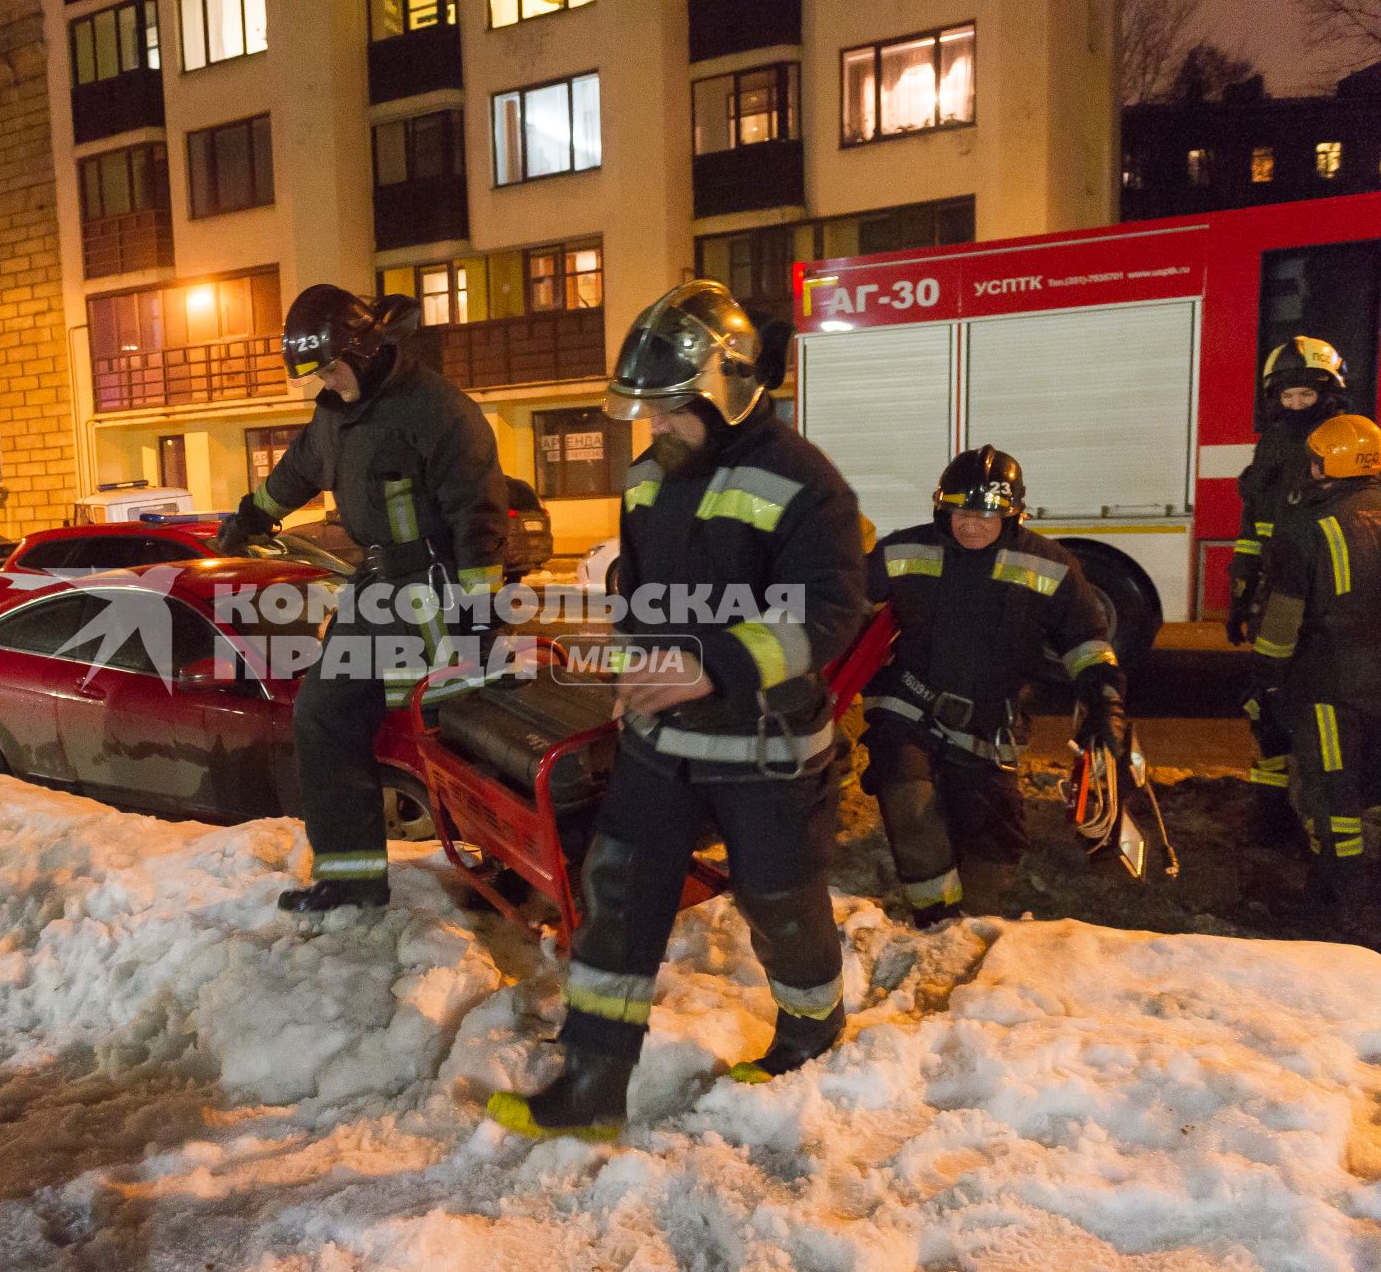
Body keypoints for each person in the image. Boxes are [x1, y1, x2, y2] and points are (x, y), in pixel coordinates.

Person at [487, 281, 866, 1140]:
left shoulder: (808, 486)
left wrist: (709, 663)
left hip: (767, 750)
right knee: (615, 897)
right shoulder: (653, 474)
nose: (650, 429)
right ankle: (590, 1086)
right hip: (662, 742)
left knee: (781, 901)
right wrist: (633, 653)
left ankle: (811, 1032)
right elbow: (643, 587)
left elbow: (827, 614)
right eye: (645, 413)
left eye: (667, 410)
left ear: (726, 390)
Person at [214, 284, 508, 914]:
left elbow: (478, 515)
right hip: (378, 591)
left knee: (463, 734)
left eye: (330, 366)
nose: (325, 379)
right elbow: (296, 471)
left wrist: (479, 614)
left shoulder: (438, 412)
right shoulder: (334, 414)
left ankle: (512, 865)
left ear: (365, 348)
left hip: (438, 595)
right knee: (324, 714)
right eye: (316, 372)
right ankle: (351, 879)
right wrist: (251, 515)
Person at [861, 447, 1129, 925]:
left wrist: (1104, 704)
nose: (972, 525)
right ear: (941, 509)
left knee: (996, 839)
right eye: (961, 512)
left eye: (987, 514)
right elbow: (840, 606)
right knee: (907, 794)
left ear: (1013, 515)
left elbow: (1086, 641)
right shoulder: (902, 551)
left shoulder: (1049, 564)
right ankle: (934, 919)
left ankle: (977, 918)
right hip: (906, 702)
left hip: (989, 720)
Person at [1249, 413, 1381, 944]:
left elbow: (1282, 623)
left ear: (1331, 464)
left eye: (1316, 459)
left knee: (1334, 796)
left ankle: (1344, 905)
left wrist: (1264, 677)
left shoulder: (1308, 529)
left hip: (1327, 684)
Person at [1229, 337, 1350, 850]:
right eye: (1288, 396)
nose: (1297, 405)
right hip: (1276, 591)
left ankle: (1330, 814)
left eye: (1307, 395)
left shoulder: (1348, 440)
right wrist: (1240, 586)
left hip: (1327, 597)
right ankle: (1271, 809)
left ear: (1330, 393)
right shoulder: (1273, 443)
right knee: (1265, 700)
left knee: (1324, 707)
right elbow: (1254, 520)